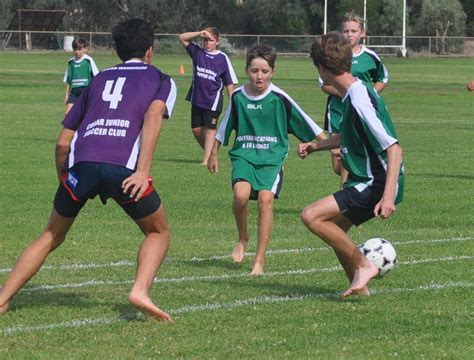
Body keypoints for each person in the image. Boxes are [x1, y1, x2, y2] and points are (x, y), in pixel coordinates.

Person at [0, 18, 177, 321]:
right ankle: (140, 290)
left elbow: (62, 143)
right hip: (122, 168)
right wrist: (142, 170)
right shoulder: (161, 79)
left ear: (117, 49)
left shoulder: (99, 78)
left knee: (51, 234)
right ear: (150, 50)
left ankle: (2, 299)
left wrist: (63, 175)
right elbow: (153, 115)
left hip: (81, 165)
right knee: (157, 231)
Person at [299, 32, 404, 297]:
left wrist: (388, 195)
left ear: (322, 68)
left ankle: (364, 265)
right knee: (336, 230)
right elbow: (350, 133)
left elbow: (393, 148)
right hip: (370, 178)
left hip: (376, 182)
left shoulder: (358, 99)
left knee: (311, 216)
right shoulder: (355, 90)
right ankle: (360, 290)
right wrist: (316, 146)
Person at [208, 44, 326, 275]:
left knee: (265, 200)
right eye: (254, 71)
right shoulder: (239, 97)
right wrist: (213, 153)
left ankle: (259, 260)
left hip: (272, 159)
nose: (259, 76)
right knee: (240, 195)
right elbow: (224, 127)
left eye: (264, 71)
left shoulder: (280, 98)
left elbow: (307, 123)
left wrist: (329, 145)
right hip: (244, 155)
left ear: (272, 71)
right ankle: (243, 237)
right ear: (246, 70)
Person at [320, 11, 388, 188]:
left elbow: (383, 78)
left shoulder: (370, 57)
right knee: (337, 163)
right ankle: (351, 182)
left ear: (362, 33)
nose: (349, 35)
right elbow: (324, 85)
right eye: (346, 31)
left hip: (359, 113)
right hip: (336, 112)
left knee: (347, 153)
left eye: (354, 31)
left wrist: (368, 94)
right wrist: (345, 92)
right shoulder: (333, 55)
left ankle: (345, 194)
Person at [179, 28, 239, 165]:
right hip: (197, 98)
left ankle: (206, 160)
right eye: (205, 40)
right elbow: (182, 37)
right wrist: (200, 33)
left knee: (210, 130)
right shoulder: (197, 52)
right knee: (196, 129)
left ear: (217, 42)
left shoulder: (222, 58)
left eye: (211, 40)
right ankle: (211, 152)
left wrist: (233, 101)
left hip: (213, 100)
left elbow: (229, 81)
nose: (208, 43)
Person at [63, 37, 99, 114]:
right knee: (68, 113)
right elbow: (69, 81)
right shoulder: (71, 62)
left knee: (85, 113)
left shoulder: (88, 60)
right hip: (74, 92)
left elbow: (96, 77)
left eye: (79, 49)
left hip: (85, 90)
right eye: (75, 49)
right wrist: (66, 95)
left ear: (84, 49)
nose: (77, 52)